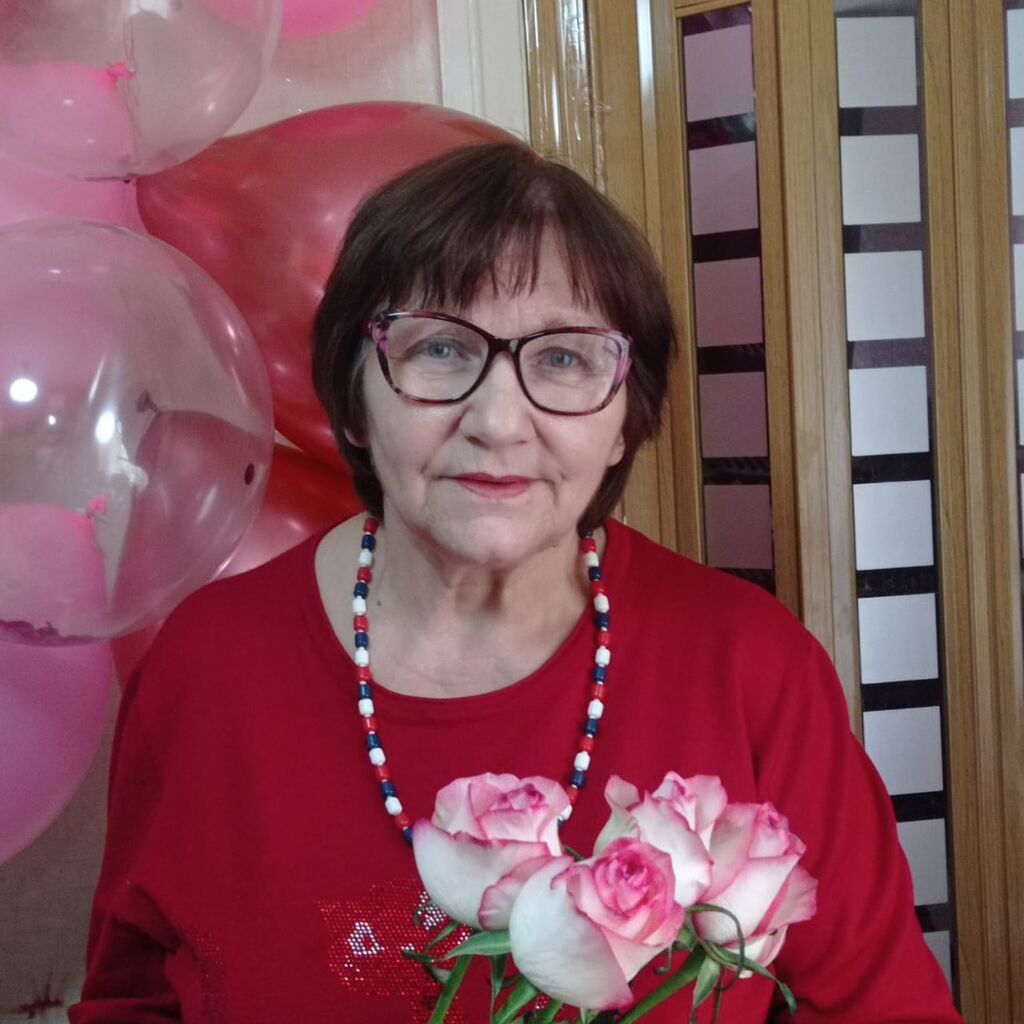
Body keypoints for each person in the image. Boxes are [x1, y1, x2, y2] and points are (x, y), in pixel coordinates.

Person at [70, 142, 962, 1023]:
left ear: (625, 419)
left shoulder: (750, 667)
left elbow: (882, 1009)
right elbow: (133, 1003)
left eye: (565, 359)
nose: (499, 422)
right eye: (440, 348)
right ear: (354, 398)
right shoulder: (207, 666)